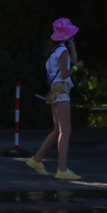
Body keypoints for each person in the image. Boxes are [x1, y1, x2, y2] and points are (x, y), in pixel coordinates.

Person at [25, 18, 83, 180]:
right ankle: (62, 169)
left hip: (53, 90)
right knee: (66, 130)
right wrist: (77, 68)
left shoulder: (55, 51)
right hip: (61, 89)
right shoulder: (61, 51)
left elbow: (73, 60)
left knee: (57, 129)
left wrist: (72, 45)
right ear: (66, 34)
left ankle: (37, 159)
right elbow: (66, 72)